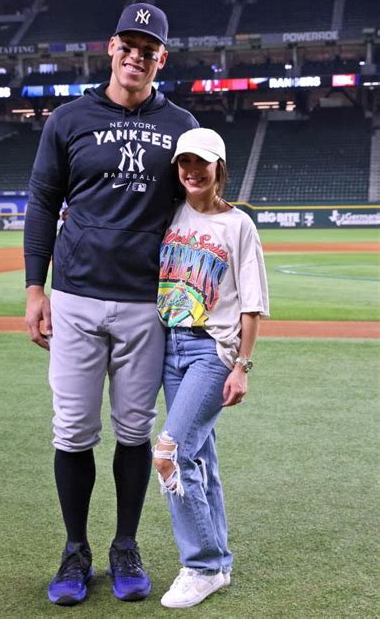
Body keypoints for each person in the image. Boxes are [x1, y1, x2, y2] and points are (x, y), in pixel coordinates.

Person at [24, 2, 198, 606]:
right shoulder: (68, 119)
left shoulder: (181, 124)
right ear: (111, 48)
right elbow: (44, 202)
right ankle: (76, 549)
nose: (137, 55)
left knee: (132, 431)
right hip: (73, 296)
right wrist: (33, 290)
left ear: (161, 58)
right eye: (129, 44)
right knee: (73, 431)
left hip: (145, 305)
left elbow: (197, 205)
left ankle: (125, 543)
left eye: (149, 48)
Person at [153, 128, 269, 609]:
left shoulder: (238, 225)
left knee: (170, 454)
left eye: (202, 163)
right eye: (184, 163)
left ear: (219, 168)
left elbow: (253, 304)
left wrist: (242, 365)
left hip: (211, 352)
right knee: (200, 460)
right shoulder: (171, 213)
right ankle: (217, 563)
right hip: (170, 348)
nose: (192, 171)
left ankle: (201, 566)